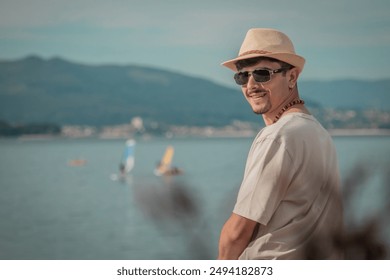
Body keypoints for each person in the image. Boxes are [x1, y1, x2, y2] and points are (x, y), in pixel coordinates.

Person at [217, 28, 344, 259]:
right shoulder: (320, 134)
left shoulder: (278, 136)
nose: (251, 85)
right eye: (242, 76)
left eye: (262, 74)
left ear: (292, 76)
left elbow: (237, 232)